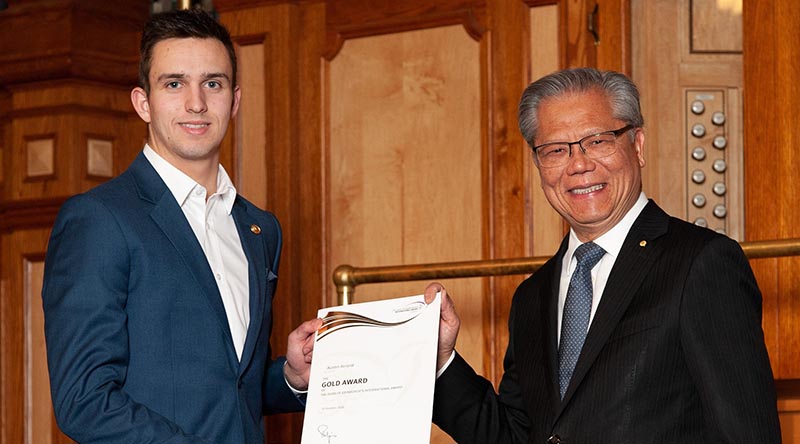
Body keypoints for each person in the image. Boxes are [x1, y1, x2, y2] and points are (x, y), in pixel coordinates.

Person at [425, 67, 781, 443]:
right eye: (556, 150)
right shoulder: (532, 295)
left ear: (637, 145)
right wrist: (440, 361)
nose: (579, 165)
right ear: (538, 164)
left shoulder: (701, 263)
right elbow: (515, 436)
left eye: (597, 141)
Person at [41, 9, 321, 444]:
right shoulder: (99, 219)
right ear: (143, 103)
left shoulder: (261, 229)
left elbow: (231, 387)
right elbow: (83, 399)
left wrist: (289, 376)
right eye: (174, 84)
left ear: (235, 100)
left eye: (213, 83)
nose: (197, 103)